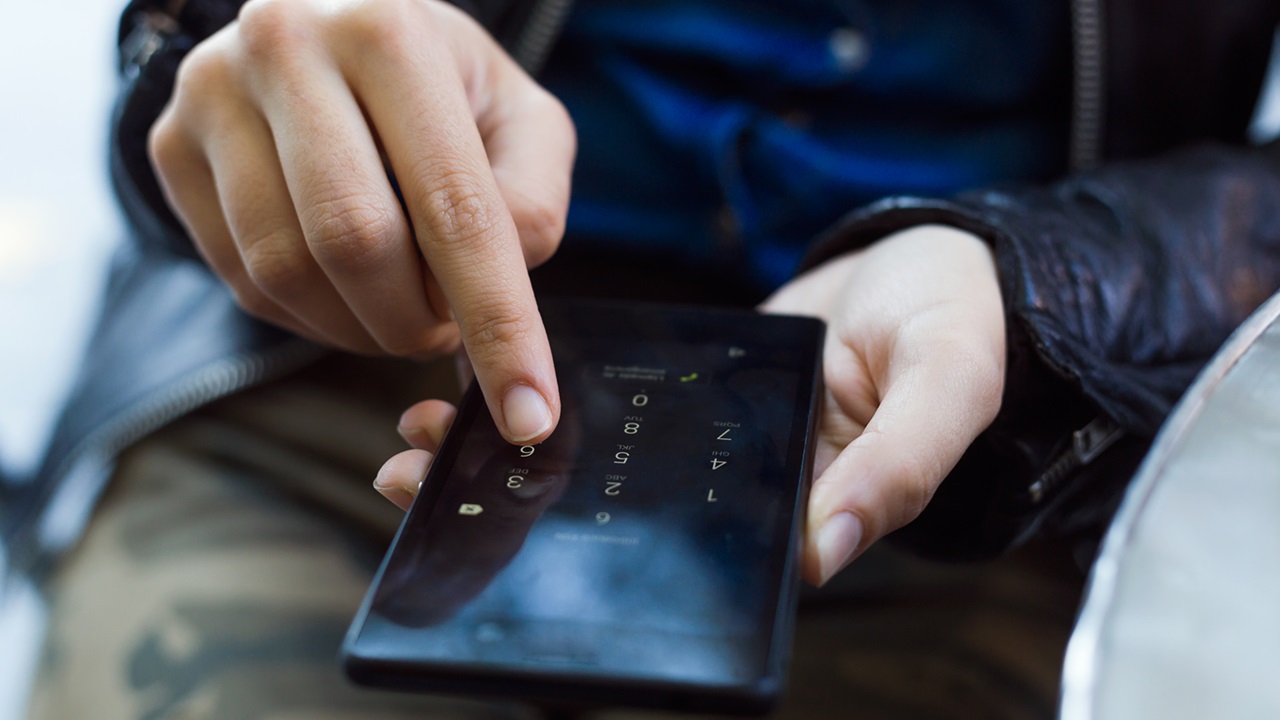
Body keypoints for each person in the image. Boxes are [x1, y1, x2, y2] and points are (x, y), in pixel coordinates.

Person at [10, 0, 1280, 717]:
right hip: (346, 377)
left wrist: (1036, 280)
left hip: (967, 450)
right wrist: (233, 78)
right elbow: (176, 78)